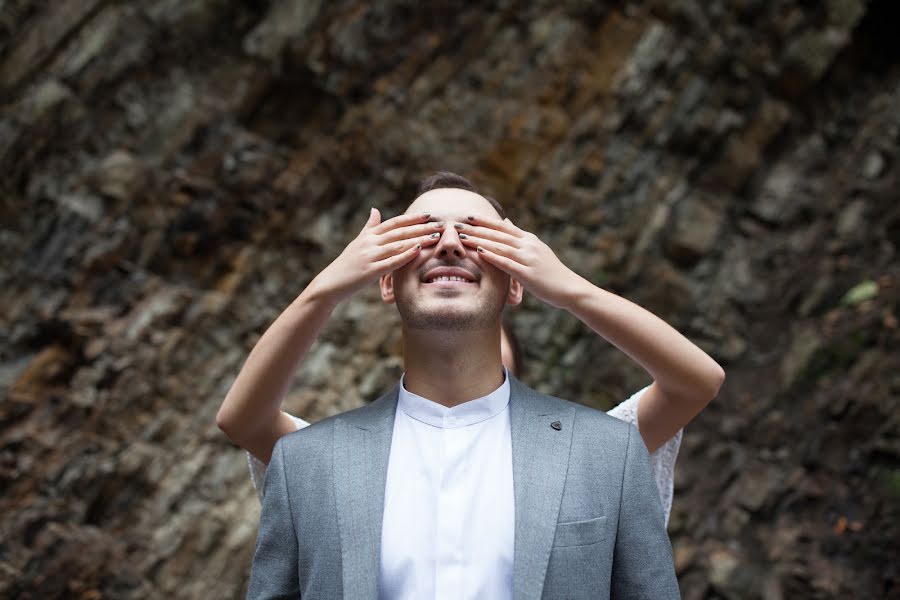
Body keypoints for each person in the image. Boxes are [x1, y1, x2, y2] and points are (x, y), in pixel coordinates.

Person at [218, 172, 725, 599]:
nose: (450, 242)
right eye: (421, 233)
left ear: (517, 279)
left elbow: (696, 380)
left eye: (479, 235)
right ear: (387, 279)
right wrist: (324, 289)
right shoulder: (313, 462)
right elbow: (244, 420)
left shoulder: (604, 453)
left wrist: (569, 287)